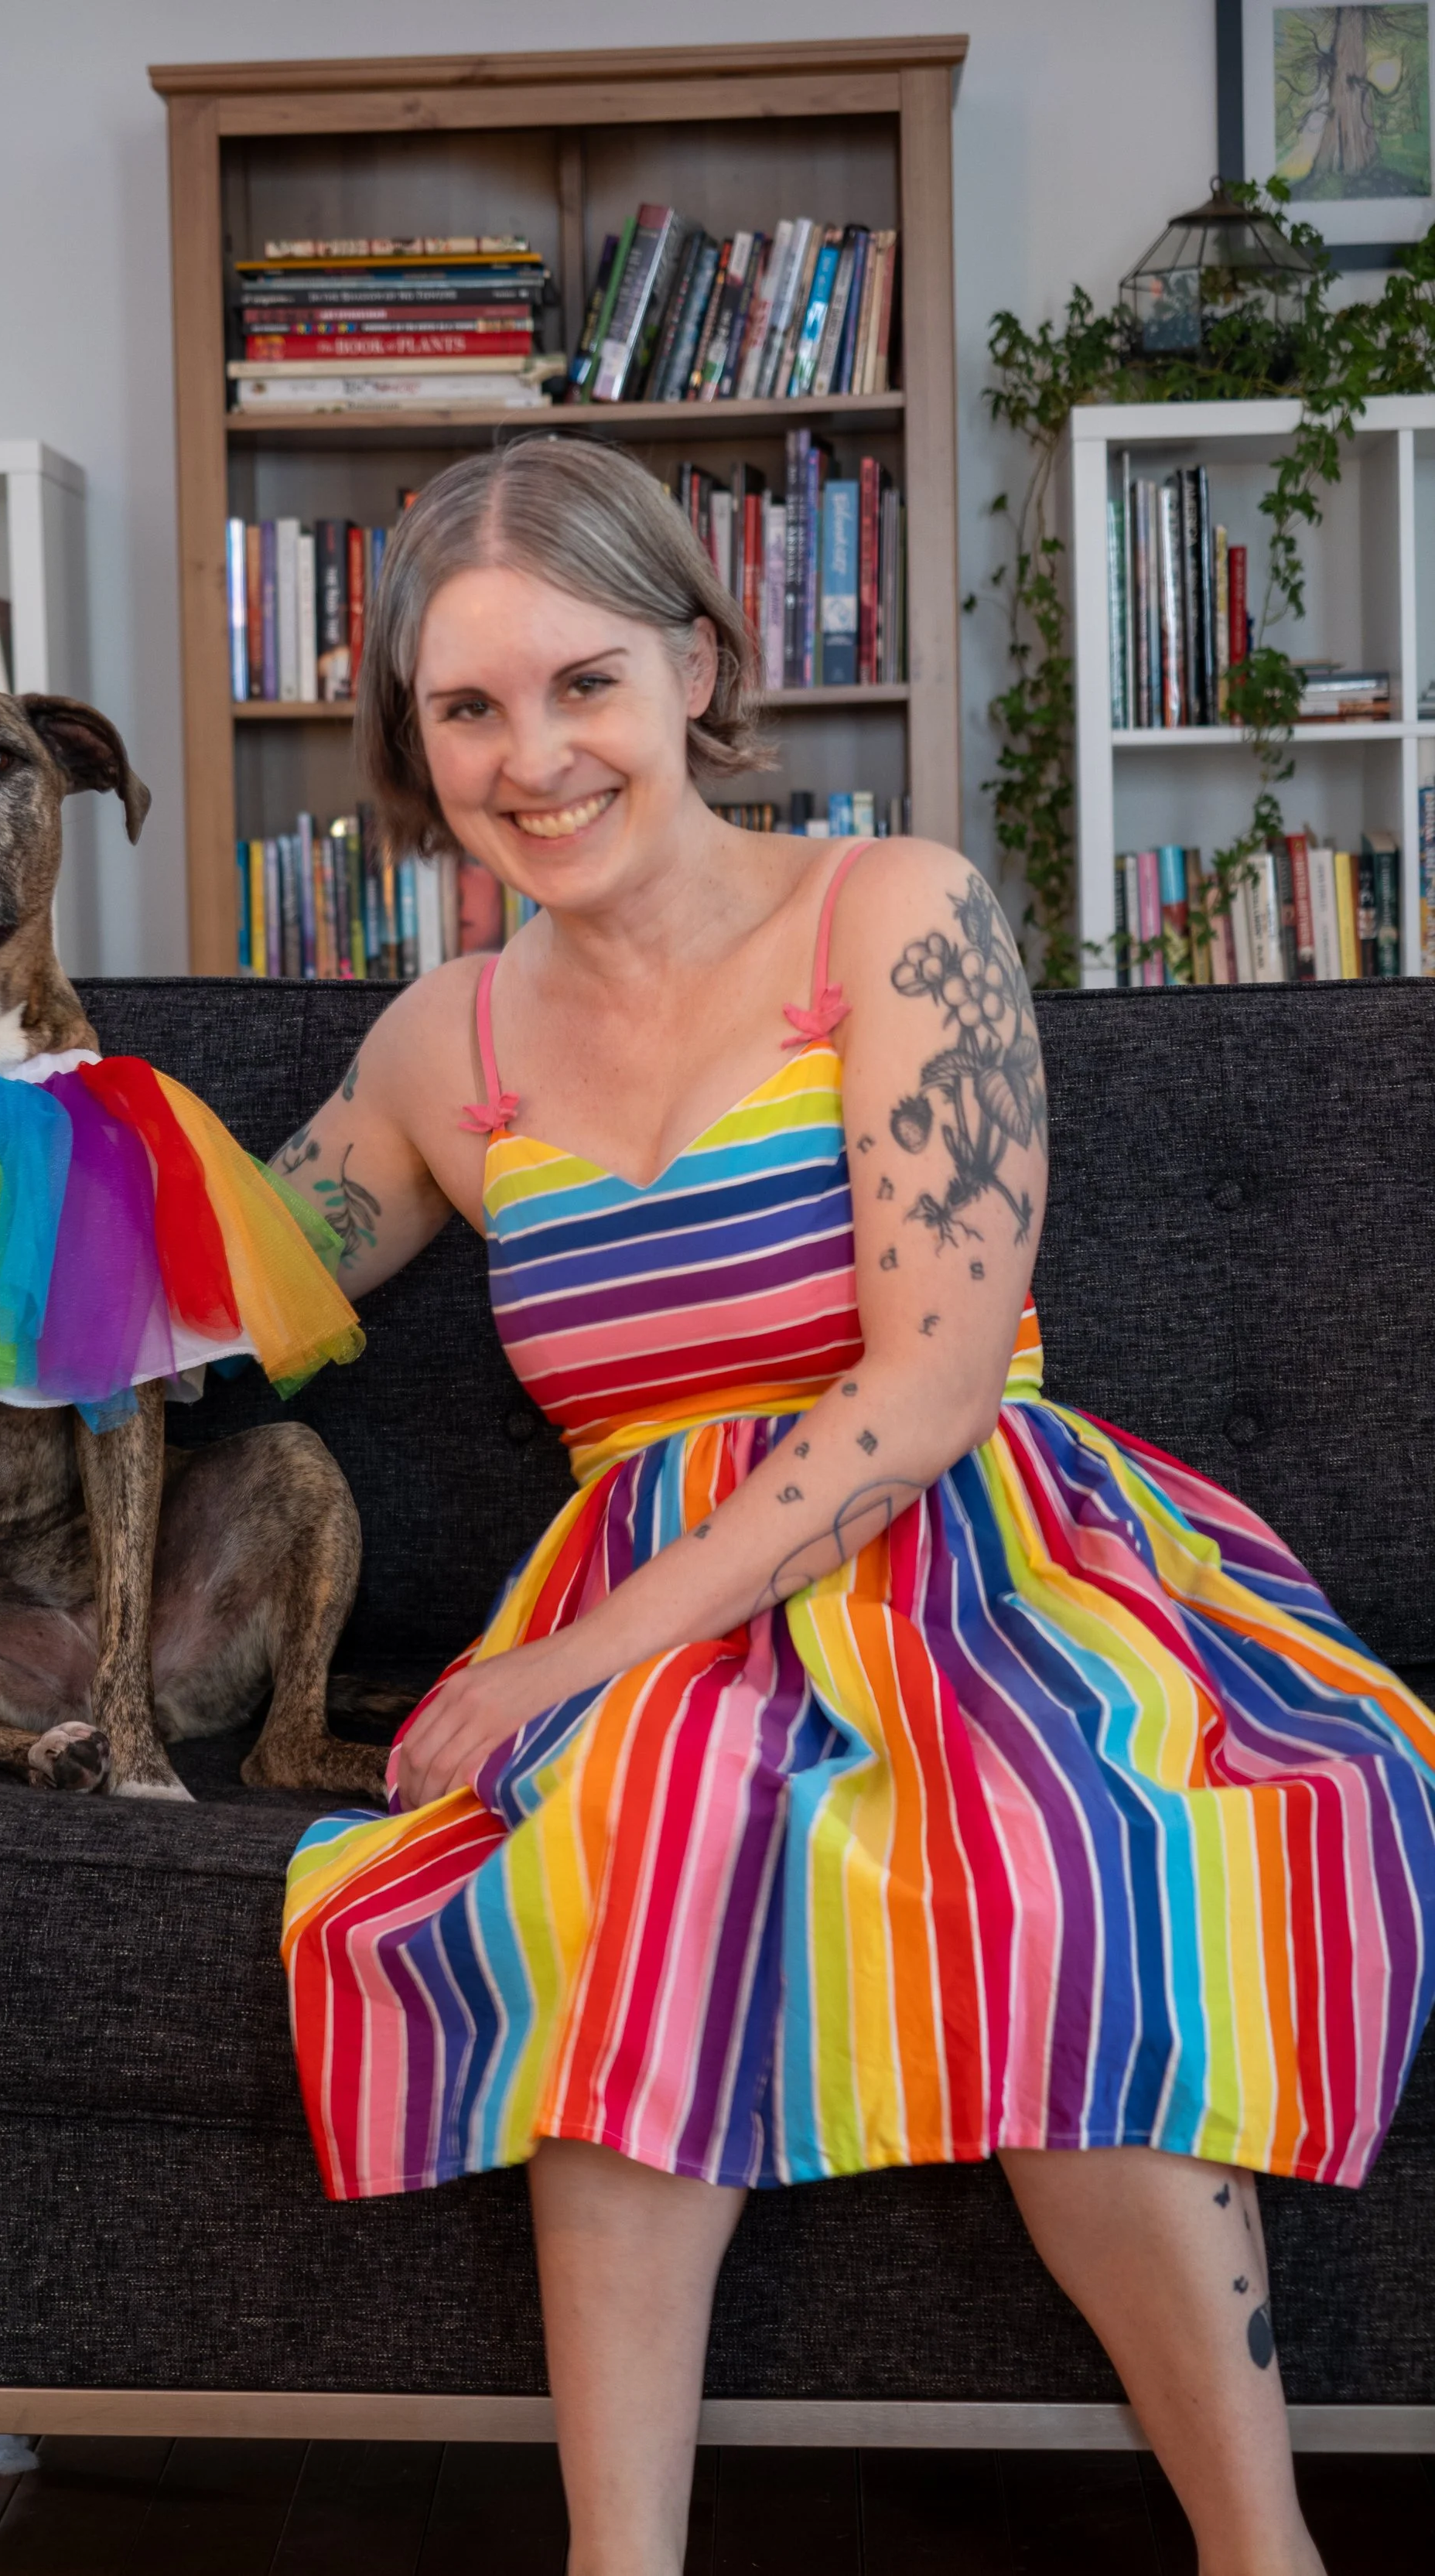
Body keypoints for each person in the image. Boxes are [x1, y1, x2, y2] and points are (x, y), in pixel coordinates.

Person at [272, 438, 1435, 2576]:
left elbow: (917, 1391)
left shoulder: (890, 915)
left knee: (1078, 1851)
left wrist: (553, 1661)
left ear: (695, 668)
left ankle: (1258, 2556)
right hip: (649, 1578)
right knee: (618, 1869)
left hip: (973, 1542)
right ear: (409, 736)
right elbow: (211, 1300)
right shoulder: (439, 1045)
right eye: (466, 707)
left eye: (584, 684)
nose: (532, 758)